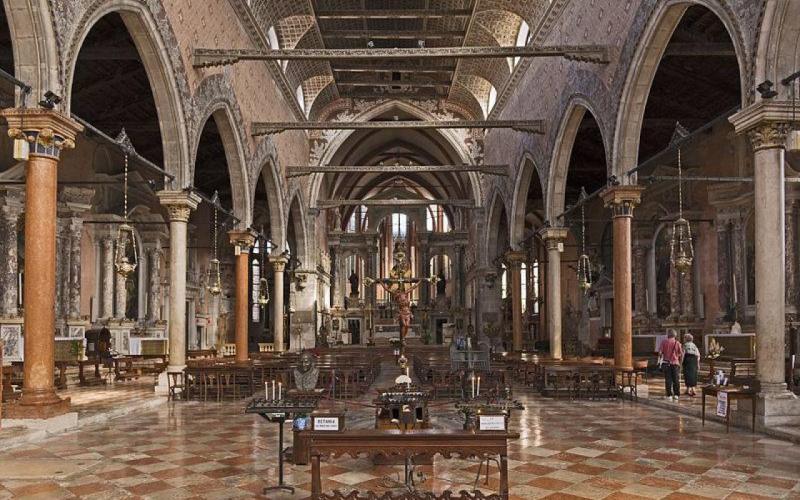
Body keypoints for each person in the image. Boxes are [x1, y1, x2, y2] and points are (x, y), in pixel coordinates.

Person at [659, 329, 683, 401]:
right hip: (675, 363)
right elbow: (681, 354)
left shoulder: (664, 342)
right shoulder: (677, 343)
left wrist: (662, 357)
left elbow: (660, 353)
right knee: (676, 379)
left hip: (666, 363)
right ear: (675, 335)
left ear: (668, 334)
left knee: (668, 379)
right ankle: (676, 394)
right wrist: (680, 362)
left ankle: (669, 394)